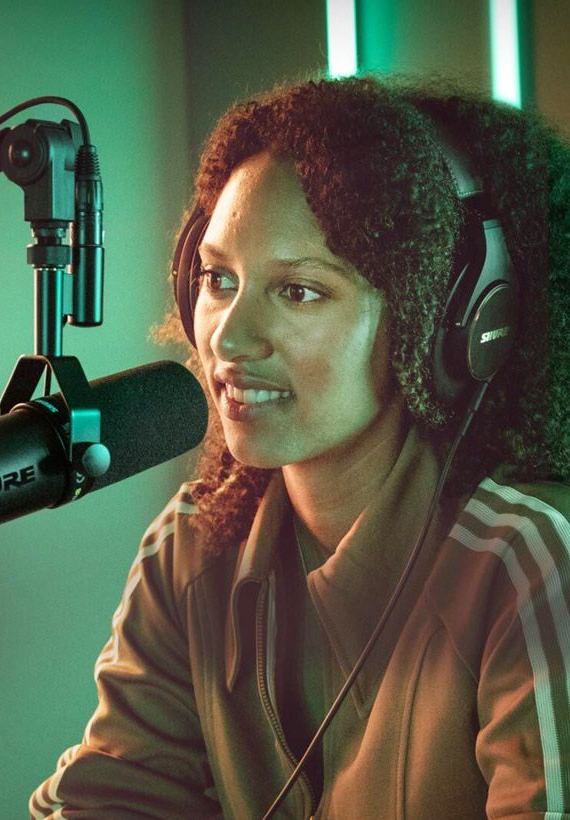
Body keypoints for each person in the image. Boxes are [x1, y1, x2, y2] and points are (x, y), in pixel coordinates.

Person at [29, 75, 570, 819]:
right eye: (219, 280)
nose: (227, 337)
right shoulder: (190, 550)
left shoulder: (529, 563)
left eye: (300, 291)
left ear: (455, 321)